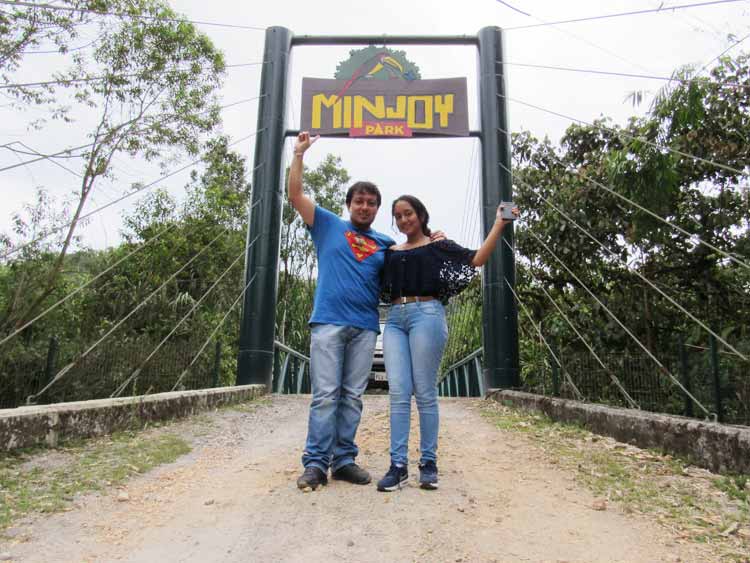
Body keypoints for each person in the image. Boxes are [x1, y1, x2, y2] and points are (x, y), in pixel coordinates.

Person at [288, 133, 446, 490]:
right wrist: (298, 155)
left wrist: (435, 242)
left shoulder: (385, 244)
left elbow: (413, 253)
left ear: (377, 210)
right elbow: (296, 195)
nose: (364, 207)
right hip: (328, 322)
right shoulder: (327, 224)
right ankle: (316, 464)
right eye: (359, 201)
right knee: (325, 395)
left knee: (352, 396)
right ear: (349, 205)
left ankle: (344, 460)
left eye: (371, 203)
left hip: (365, 327)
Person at [376, 194, 519, 492]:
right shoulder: (390, 252)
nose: (403, 220)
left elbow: (477, 259)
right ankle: (398, 466)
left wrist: (499, 224)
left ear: (421, 215)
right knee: (398, 392)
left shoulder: (438, 245)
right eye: (398, 216)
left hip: (427, 315)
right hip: (395, 320)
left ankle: (428, 464)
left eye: (408, 213)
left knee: (425, 392)